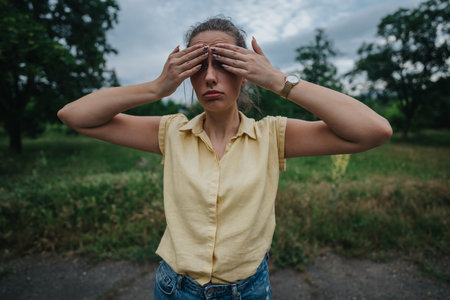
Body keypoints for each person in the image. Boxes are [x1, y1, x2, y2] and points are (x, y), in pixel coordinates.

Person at [58, 17, 392, 300]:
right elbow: (74, 115)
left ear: (246, 72)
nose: (210, 77)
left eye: (225, 63)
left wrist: (278, 80)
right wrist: (157, 88)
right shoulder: (171, 132)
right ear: (187, 74)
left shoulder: (272, 135)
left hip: (248, 290)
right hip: (176, 289)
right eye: (198, 66)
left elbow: (374, 131)